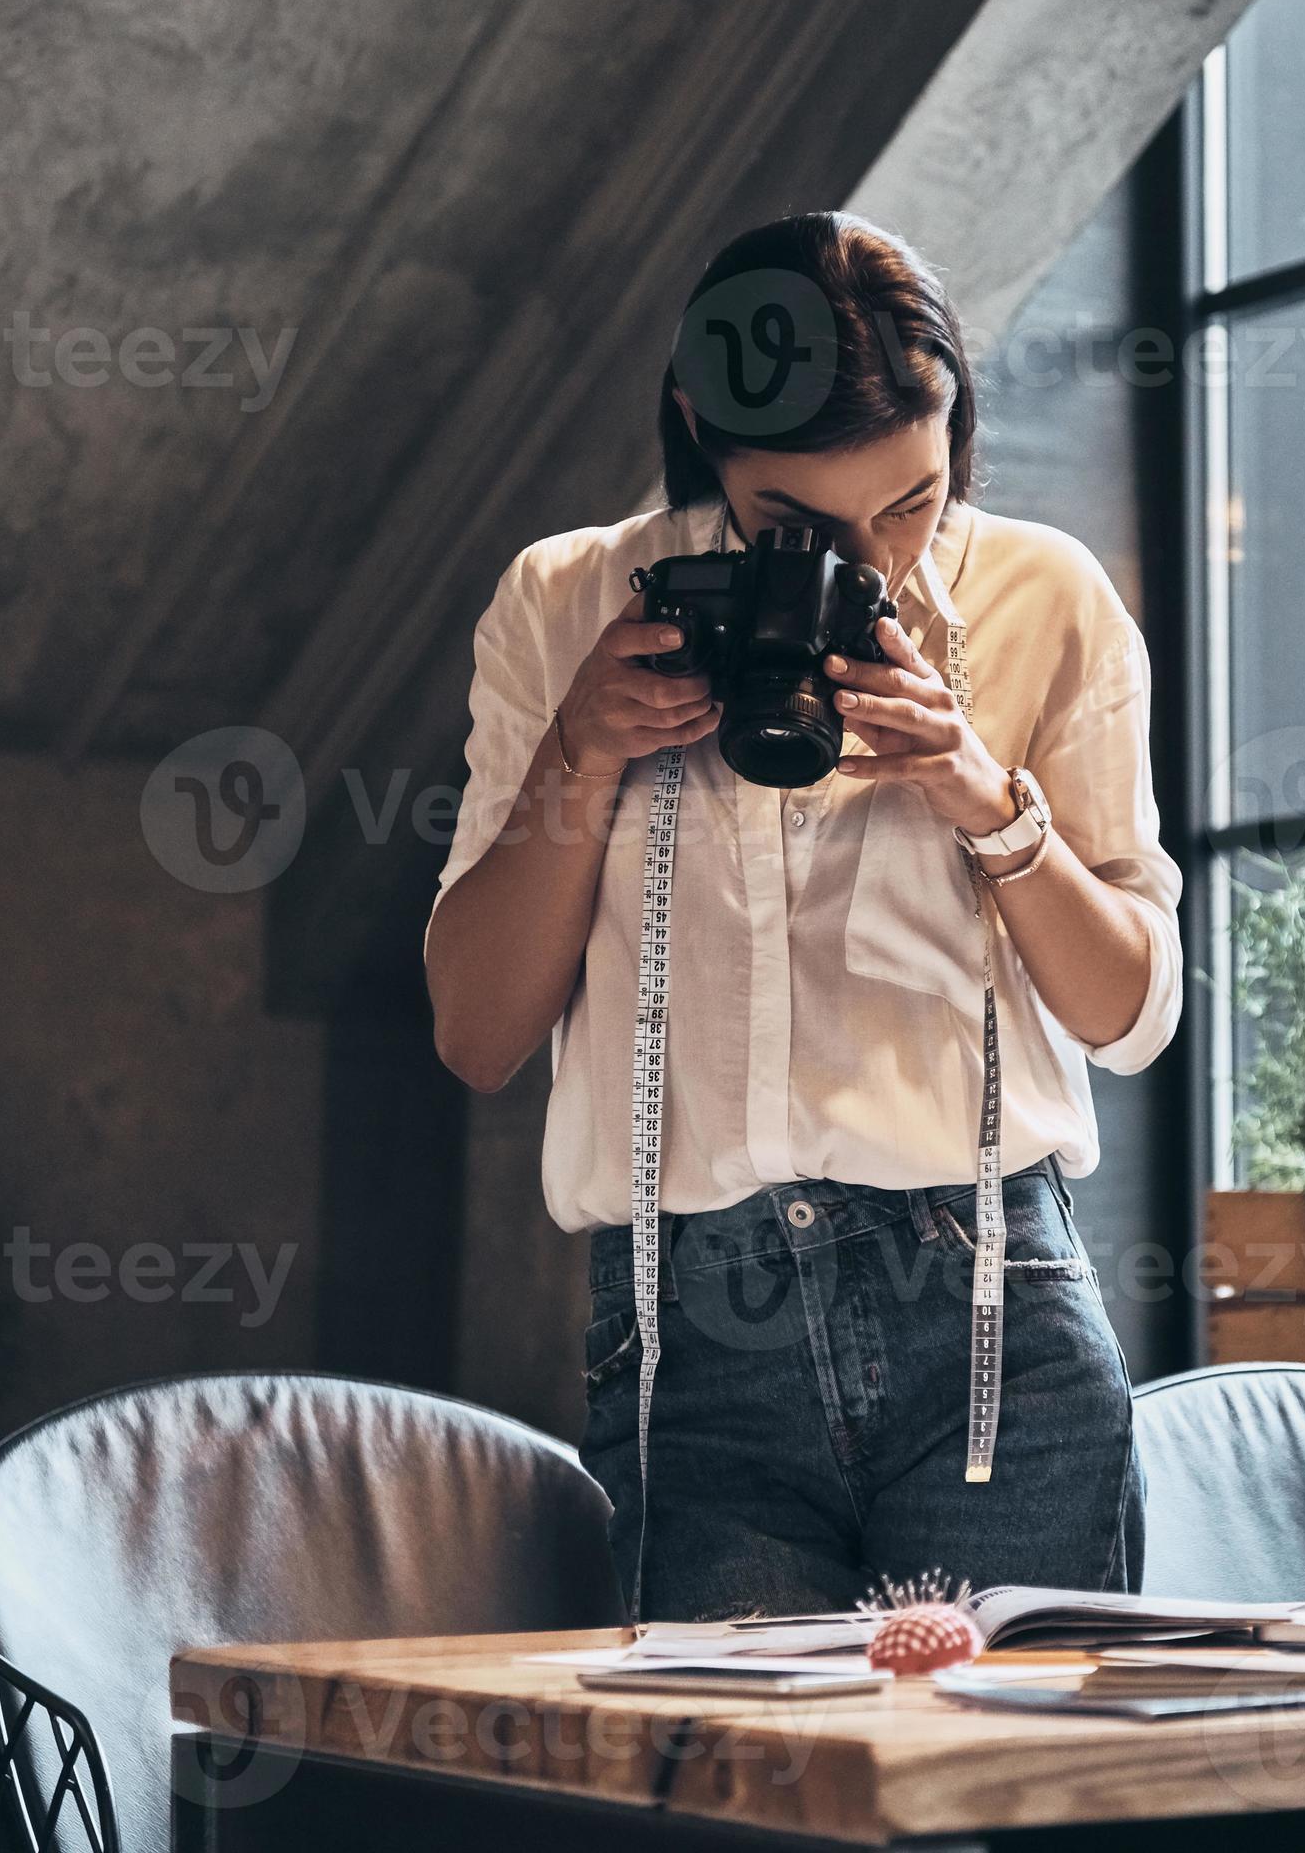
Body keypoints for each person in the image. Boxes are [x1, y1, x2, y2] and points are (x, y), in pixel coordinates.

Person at [425, 212, 1181, 1620]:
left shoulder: (1041, 598)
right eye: (800, 531)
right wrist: (582, 753)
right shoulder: (566, 603)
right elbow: (476, 1033)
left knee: (1007, 1800)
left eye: (913, 503)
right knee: (748, 1814)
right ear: (698, 432)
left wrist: (980, 794)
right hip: (695, 1336)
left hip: (993, 1315)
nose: (876, 568)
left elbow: (1132, 1016)